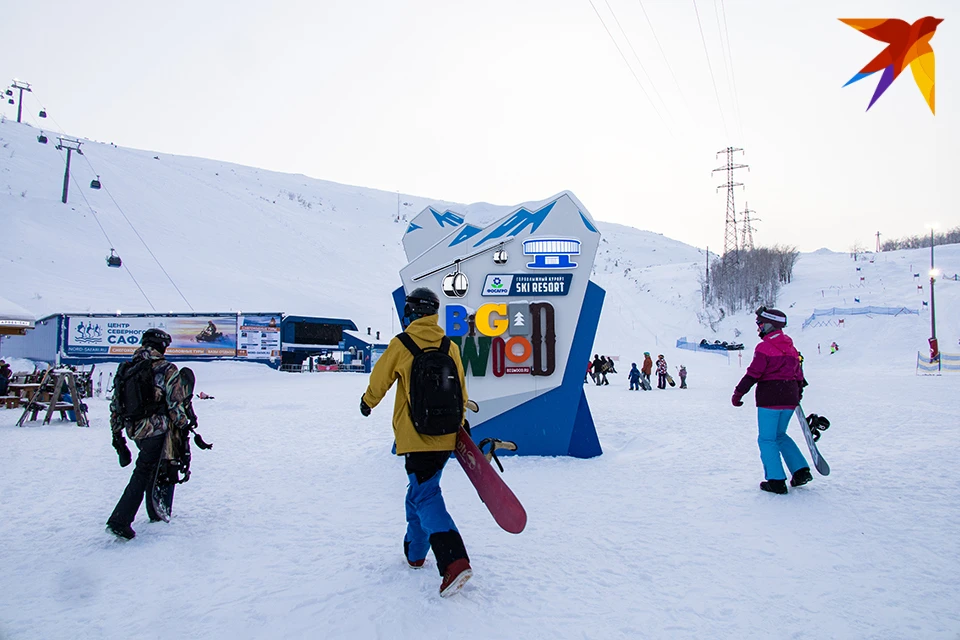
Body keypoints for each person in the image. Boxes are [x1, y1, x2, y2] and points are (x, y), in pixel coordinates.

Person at [359, 287, 473, 598]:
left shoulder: (402, 344)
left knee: (425, 495)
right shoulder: (449, 346)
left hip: (415, 436)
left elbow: (379, 380)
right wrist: (461, 425)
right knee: (420, 491)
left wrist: (367, 403)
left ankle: (454, 561)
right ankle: (415, 551)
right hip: (445, 436)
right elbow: (461, 390)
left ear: (412, 312)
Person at [106, 328, 191, 540]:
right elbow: (175, 403)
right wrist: (183, 424)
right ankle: (120, 520)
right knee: (144, 472)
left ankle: (155, 512)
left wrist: (118, 435)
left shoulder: (126, 368)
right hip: (157, 428)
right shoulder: (166, 368)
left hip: (135, 430)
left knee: (151, 471)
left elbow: (116, 405)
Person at [731, 307, 812, 494]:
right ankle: (800, 471)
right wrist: (797, 393)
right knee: (780, 435)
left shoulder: (764, 348)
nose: (758, 328)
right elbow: (798, 375)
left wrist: (738, 393)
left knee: (767, 439)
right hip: (789, 397)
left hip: (770, 398)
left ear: (769, 325)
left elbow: (753, 373)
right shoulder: (792, 348)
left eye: (760, 325)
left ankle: (776, 480)